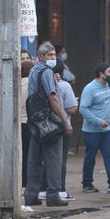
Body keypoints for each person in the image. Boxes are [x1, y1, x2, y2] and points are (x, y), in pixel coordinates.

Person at [25, 42, 72, 207]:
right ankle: (53, 195)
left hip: (36, 121)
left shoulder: (35, 70)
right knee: (54, 160)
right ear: (41, 57)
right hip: (50, 122)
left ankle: (31, 195)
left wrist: (54, 78)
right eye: (50, 55)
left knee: (34, 160)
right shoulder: (46, 71)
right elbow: (53, 98)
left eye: (54, 55)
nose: (54, 58)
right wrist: (65, 121)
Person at [79, 63, 110, 194]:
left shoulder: (109, 85)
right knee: (90, 158)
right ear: (101, 74)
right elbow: (83, 108)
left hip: (107, 130)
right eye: (109, 72)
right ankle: (87, 183)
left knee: (109, 156)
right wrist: (97, 121)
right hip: (91, 132)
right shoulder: (90, 89)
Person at [39, 59, 77, 201]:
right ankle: (60, 189)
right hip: (60, 127)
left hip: (43, 127)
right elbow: (71, 108)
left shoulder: (39, 84)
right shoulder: (64, 86)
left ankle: (43, 189)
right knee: (60, 159)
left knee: (44, 159)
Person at [20, 59, 34, 192]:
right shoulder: (32, 84)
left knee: (23, 156)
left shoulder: (17, 84)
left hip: (20, 124)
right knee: (32, 156)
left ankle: (22, 184)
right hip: (30, 123)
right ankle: (30, 184)